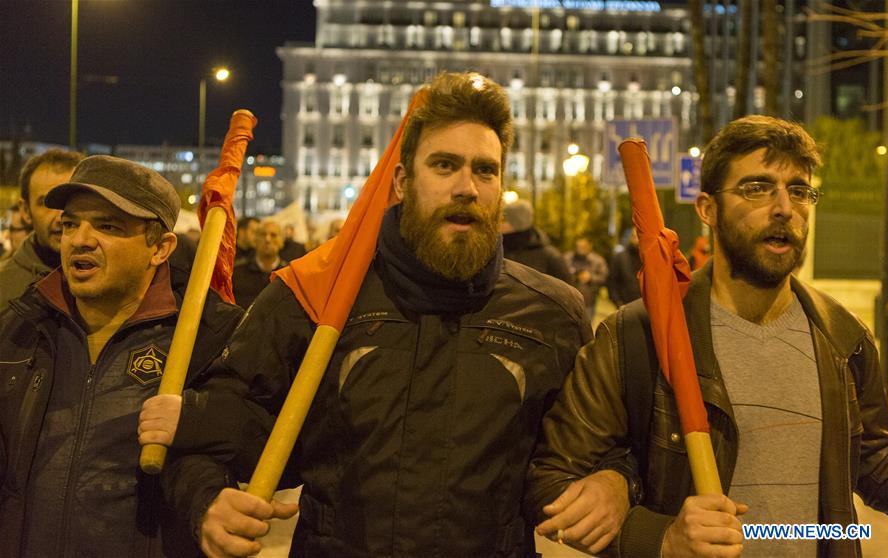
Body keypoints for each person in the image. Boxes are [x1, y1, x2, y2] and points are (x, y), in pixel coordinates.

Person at [165, 72, 596, 557]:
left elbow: (588, 453)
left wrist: (613, 484)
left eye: (485, 170)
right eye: (444, 165)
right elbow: (212, 428)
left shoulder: (552, 315)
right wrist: (207, 501)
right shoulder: (317, 296)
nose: (467, 188)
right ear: (402, 181)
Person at [527, 115, 888, 557]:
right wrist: (661, 537)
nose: (784, 207)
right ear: (707, 209)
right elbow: (551, 481)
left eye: (799, 190)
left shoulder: (843, 337)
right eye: (757, 188)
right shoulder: (636, 337)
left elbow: (878, 465)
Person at [0, 155, 244, 558]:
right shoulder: (20, 328)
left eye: (107, 226)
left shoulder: (206, 339)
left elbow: (221, 454)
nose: (80, 239)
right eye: (71, 224)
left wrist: (207, 504)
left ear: (160, 248)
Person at [0, 149, 84, 310]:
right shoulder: (5, 287)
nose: (60, 217)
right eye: (46, 203)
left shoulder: (112, 278)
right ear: (26, 211)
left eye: (70, 201)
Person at [501, 199, 572, 283]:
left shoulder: (550, 256)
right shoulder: (497, 250)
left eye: (503, 220)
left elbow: (566, 288)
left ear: (516, 223)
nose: (498, 223)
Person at [232, 220, 288, 309]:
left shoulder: (288, 275)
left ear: (281, 241)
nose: (267, 239)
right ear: (255, 240)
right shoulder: (236, 272)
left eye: (273, 235)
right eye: (263, 234)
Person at [565, 236, 609, 320]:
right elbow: (560, 274)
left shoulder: (598, 261)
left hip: (589, 301)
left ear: (590, 246)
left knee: (586, 324)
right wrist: (572, 276)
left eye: (583, 247)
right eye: (578, 246)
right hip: (569, 299)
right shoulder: (568, 258)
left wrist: (590, 278)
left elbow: (604, 278)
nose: (580, 249)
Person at [607, 227, 642, 307]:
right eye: (634, 236)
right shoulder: (620, 257)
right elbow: (612, 281)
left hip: (643, 306)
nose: (636, 239)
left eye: (639, 236)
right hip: (624, 305)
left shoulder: (647, 259)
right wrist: (617, 301)